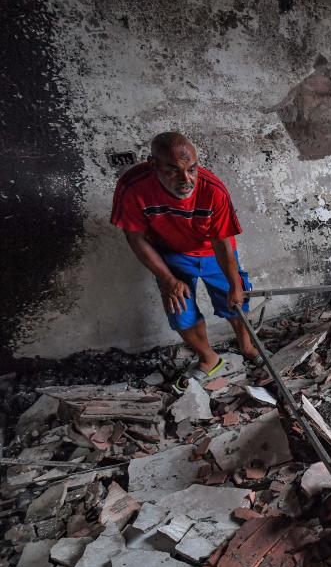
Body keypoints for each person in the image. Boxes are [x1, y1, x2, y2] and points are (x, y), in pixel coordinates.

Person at [111, 132, 261, 392]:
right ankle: (209, 358)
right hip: (170, 255)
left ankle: (246, 346)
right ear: (153, 164)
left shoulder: (212, 190)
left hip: (213, 252)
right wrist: (169, 279)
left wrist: (234, 283)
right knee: (180, 312)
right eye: (173, 170)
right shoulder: (133, 187)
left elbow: (223, 241)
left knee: (235, 301)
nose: (186, 179)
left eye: (192, 169)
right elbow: (135, 238)